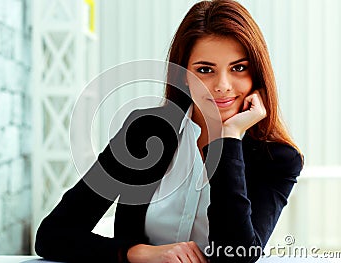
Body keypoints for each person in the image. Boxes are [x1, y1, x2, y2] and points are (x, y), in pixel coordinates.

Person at [35, 0, 304, 262]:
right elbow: (53, 235)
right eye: (205, 70)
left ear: (256, 74)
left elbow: (237, 255)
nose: (223, 85)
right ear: (183, 75)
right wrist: (139, 253)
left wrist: (229, 138)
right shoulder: (144, 131)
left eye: (239, 68)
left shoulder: (278, 158)